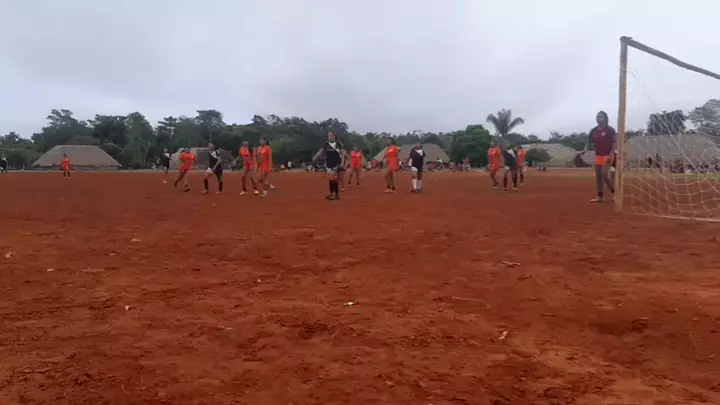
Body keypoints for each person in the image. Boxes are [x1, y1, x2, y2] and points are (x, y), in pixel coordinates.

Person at [583, 110, 616, 203]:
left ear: (605, 118)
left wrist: (611, 153)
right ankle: (600, 196)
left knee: (604, 174)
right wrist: (584, 150)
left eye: (600, 117)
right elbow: (589, 142)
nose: (598, 119)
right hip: (598, 155)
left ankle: (615, 192)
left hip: (608, 155)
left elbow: (614, 142)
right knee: (598, 175)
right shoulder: (593, 131)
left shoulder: (610, 130)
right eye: (597, 117)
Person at [313, 132, 345, 200]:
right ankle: (334, 194)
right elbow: (320, 151)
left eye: (330, 136)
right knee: (331, 179)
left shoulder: (338, 144)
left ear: (334, 136)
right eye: (328, 136)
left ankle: (333, 194)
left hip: (336, 163)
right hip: (328, 164)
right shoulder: (326, 144)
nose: (329, 137)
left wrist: (342, 163)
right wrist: (315, 157)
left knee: (333, 178)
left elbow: (343, 154)